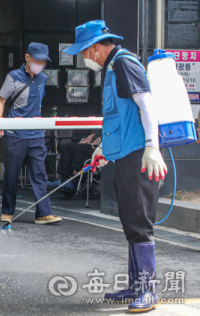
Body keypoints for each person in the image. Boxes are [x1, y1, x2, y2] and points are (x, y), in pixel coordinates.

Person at [64, 20, 167, 312]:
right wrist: (102, 150)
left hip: (139, 155)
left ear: (96, 47)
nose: (84, 59)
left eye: (84, 52)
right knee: (130, 220)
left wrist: (152, 147)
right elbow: (117, 119)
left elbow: (146, 105)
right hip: (125, 155)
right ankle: (136, 285)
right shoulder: (112, 68)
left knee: (139, 223)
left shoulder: (123, 64)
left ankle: (148, 290)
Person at [0, 43, 62, 225]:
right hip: (15, 134)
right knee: (11, 174)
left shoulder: (42, 79)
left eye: (43, 60)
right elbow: (1, 100)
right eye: (36, 59)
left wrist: (40, 121)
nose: (40, 63)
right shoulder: (14, 77)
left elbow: (38, 104)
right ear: (27, 57)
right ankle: (7, 211)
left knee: (40, 174)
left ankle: (43, 213)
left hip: (36, 134)